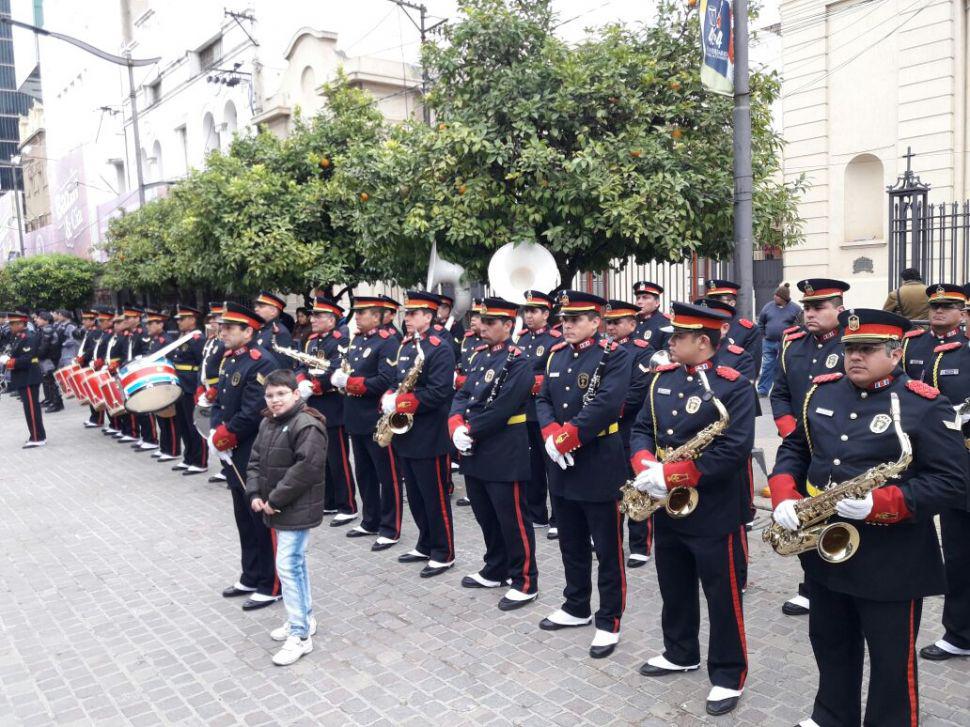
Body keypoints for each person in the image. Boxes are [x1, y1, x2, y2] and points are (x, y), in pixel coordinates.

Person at [769, 308, 967, 727]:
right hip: (826, 550)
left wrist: (881, 504)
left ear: (895, 355)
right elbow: (795, 451)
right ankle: (832, 716)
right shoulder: (821, 393)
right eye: (849, 348)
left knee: (891, 661)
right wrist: (785, 495)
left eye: (867, 349)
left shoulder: (923, 404)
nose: (854, 356)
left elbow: (952, 481)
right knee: (830, 642)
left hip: (892, 558)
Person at [630, 302, 755, 717]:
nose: (670, 342)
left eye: (678, 337)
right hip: (668, 504)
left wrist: (676, 475)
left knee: (722, 594)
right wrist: (644, 464)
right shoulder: (661, 379)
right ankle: (681, 650)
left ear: (703, 342)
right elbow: (641, 427)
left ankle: (727, 673)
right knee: (674, 583)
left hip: (714, 507)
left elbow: (734, 449)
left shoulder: (733, 385)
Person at [536, 291, 631, 659]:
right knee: (570, 543)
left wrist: (565, 438)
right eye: (565, 319)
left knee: (607, 549)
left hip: (597, 461)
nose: (568, 325)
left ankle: (609, 620)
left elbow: (608, 405)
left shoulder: (613, 355)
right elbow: (542, 399)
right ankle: (576, 605)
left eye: (577, 319)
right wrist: (549, 437)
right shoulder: (556, 354)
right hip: (561, 463)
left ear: (596, 321)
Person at [449, 297, 538, 610]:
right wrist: (456, 425)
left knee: (512, 518)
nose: (482, 327)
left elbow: (503, 408)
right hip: (476, 449)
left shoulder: (519, 361)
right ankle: (496, 567)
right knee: (485, 514)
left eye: (490, 323)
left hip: (503, 448)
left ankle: (525, 580)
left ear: (508, 325)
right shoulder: (478, 355)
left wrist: (468, 430)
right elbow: (462, 394)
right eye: (481, 321)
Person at [768, 279, 850, 617]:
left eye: (819, 307)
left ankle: (839, 581)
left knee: (835, 516)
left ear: (839, 309)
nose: (811, 313)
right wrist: (791, 433)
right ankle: (811, 585)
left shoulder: (851, 344)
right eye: (808, 307)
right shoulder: (793, 343)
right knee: (800, 516)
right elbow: (780, 393)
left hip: (839, 447)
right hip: (801, 446)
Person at [245, 368, 328, 666]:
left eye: (281, 394)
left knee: (288, 566)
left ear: (295, 394)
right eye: (270, 395)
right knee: (295, 564)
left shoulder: (306, 424)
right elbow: (254, 460)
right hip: (275, 506)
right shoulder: (268, 422)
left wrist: (274, 499)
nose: (275, 400)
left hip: (294, 508)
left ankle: (300, 636)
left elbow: (307, 469)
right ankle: (304, 619)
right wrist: (254, 494)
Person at [910, 285, 970, 663]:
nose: (940, 312)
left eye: (949, 307)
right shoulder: (912, 345)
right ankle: (959, 633)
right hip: (941, 463)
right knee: (958, 552)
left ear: (962, 313)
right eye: (935, 307)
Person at [210, 302, 281, 611]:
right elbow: (220, 402)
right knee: (243, 516)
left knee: (261, 516)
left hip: (254, 449)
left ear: (248, 331)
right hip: (233, 449)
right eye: (222, 327)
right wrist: (216, 432)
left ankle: (272, 583)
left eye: (229, 328)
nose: (222, 332)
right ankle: (251, 574)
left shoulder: (260, 362)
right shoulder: (230, 360)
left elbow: (254, 410)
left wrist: (226, 437)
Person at [384, 291, 457, 577]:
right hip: (407, 434)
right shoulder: (406, 345)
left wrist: (401, 402)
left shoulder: (439, 347)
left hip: (430, 433)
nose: (408, 318)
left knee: (434, 496)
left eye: (413, 314)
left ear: (428, 316)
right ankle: (425, 543)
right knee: (414, 494)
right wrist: (389, 395)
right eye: (407, 314)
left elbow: (440, 392)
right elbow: (395, 379)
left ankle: (444, 551)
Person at [332, 296, 401, 550]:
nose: (357, 317)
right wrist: (342, 378)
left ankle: (390, 527)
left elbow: (385, 379)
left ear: (377, 316)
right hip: (355, 417)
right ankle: (370, 519)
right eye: (357, 313)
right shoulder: (357, 340)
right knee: (364, 473)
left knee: (387, 475)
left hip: (375, 417)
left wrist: (349, 383)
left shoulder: (387, 342)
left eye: (362, 313)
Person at [295, 296, 359, 527]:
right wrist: (301, 380)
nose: (313, 319)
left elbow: (338, 369)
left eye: (318, 316)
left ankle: (348, 505)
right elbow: (301, 366)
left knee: (338, 458)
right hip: (313, 406)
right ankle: (329, 500)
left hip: (333, 407)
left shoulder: (340, 339)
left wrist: (315, 386)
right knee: (320, 458)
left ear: (331, 319)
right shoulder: (311, 340)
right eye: (312, 315)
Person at [604, 299, 655, 569]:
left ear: (633, 324)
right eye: (608, 322)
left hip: (631, 427)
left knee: (637, 487)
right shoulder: (603, 350)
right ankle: (611, 539)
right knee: (611, 485)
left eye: (617, 322)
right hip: (606, 430)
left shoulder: (642, 351)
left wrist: (607, 412)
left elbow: (638, 391)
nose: (611, 327)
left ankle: (639, 544)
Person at [515, 291, 562, 533]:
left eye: (534, 311)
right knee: (532, 464)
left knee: (551, 464)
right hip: (526, 411)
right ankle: (537, 513)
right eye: (526, 311)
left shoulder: (555, 339)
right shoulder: (521, 339)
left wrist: (532, 382)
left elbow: (558, 374)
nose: (529, 316)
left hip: (545, 411)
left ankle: (558, 518)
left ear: (546, 314)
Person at [168, 304, 208, 476]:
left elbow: (202, 364)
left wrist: (200, 386)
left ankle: (200, 461)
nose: (179, 322)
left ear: (192, 319)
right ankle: (189, 457)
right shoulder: (182, 337)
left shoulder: (197, 339)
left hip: (191, 385)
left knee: (194, 425)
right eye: (178, 319)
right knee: (183, 424)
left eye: (182, 319)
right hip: (179, 385)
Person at [902, 283, 967, 381]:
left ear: (962, 315)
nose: (939, 311)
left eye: (947, 306)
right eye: (934, 306)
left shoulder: (966, 343)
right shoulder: (910, 343)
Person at [1, 311, 46, 447]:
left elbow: (27, 359)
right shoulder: (19, 337)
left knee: (32, 408)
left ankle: (38, 438)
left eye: (13, 324)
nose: (10, 327)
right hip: (23, 377)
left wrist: (9, 362)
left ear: (21, 324)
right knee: (29, 408)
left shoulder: (29, 337)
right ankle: (36, 435)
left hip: (29, 377)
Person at [704, 280, 763, 369]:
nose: (712, 304)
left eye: (718, 300)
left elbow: (752, 367)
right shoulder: (702, 324)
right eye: (710, 300)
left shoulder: (748, 330)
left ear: (732, 303)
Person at [199, 303, 228, 484]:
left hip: (218, 387)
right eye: (213, 319)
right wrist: (199, 386)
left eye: (218, 319)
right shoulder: (211, 340)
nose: (214, 322)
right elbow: (203, 365)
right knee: (214, 426)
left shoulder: (222, 343)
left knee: (223, 427)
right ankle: (224, 467)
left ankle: (228, 468)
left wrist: (215, 389)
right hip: (207, 386)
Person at [756, 283, 802, 396]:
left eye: (777, 295)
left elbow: (800, 325)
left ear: (784, 298)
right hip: (769, 342)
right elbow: (761, 322)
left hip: (786, 343)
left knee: (782, 367)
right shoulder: (768, 306)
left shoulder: (795, 309)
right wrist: (762, 336)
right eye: (775, 295)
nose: (774, 297)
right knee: (767, 366)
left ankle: (781, 391)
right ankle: (762, 390)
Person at [75, 307, 106, 429]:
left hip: (92, 364)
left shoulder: (96, 332)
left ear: (93, 321)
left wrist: (83, 358)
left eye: (86, 320)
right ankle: (94, 417)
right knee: (90, 392)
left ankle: (98, 418)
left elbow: (92, 349)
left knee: (95, 392)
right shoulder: (89, 332)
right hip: (87, 364)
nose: (83, 322)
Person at [253, 291, 293, 367]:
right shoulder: (261, 329)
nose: (256, 309)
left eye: (261, 306)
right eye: (256, 306)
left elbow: (282, 367)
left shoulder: (280, 333)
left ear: (273, 311)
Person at [633, 281, 670, 349]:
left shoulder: (665, 323)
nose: (639, 302)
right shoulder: (631, 321)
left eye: (645, 298)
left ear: (657, 302)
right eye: (638, 298)